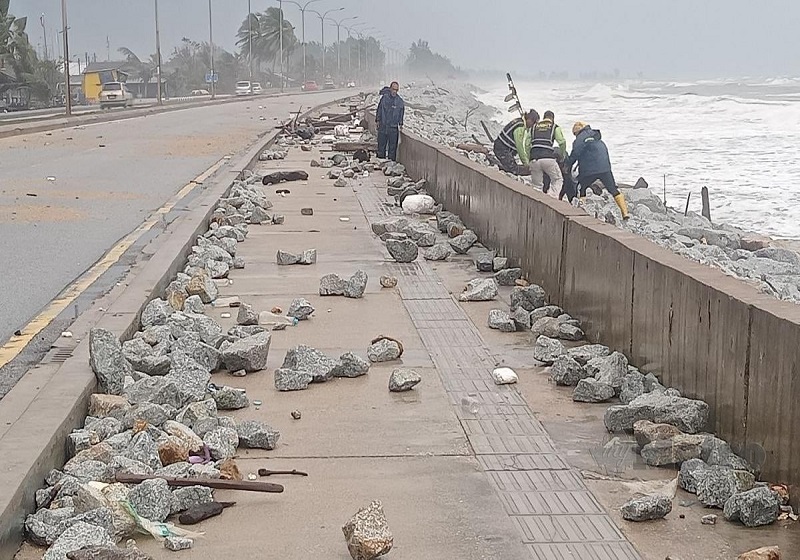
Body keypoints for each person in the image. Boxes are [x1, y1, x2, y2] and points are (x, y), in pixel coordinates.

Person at [567, 121, 629, 219]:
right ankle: (625, 213)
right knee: (613, 189)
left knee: (581, 188)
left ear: (577, 132)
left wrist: (568, 166)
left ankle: (581, 209)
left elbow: (575, 154)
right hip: (605, 167)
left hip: (589, 169)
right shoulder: (597, 137)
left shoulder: (580, 139)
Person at [529, 110, 567, 196]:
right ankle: (551, 198)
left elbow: (527, 144)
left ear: (543, 118)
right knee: (557, 179)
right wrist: (562, 154)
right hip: (548, 158)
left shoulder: (534, 127)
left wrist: (529, 158)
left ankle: (536, 201)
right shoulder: (554, 127)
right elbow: (562, 142)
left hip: (534, 159)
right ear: (552, 119)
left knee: (536, 186)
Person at [493, 110, 538, 175]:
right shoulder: (520, 127)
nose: (532, 126)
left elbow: (525, 146)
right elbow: (520, 147)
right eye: (533, 123)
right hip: (502, 149)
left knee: (512, 166)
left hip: (501, 147)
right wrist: (525, 163)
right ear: (529, 119)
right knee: (514, 170)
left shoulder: (518, 121)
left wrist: (529, 159)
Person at [376, 81, 405, 161]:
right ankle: (380, 162)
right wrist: (378, 120)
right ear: (390, 89)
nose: (394, 91)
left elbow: (401, 113)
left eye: (396, 90)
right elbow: (379, 110)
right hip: (383, 125)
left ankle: (391, 163)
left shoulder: (399, 101)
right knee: (381, 145)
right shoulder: (384, 98)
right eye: (393, 89)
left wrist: (401, 124)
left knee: (392, 147)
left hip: (393, 127)